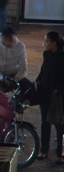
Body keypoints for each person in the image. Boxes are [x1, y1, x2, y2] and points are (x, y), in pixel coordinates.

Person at [37, 31, 64, 162]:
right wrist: (39, 79)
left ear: (54, 43)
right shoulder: (46, 54)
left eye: (47, 41)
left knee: (59, 124)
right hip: (45, 93)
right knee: (45, 122)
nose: (45, 44)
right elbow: (43, 70)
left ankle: (60, 152)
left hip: (57, 96)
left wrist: (58, 90)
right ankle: (44, 150)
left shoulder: (62, 57)